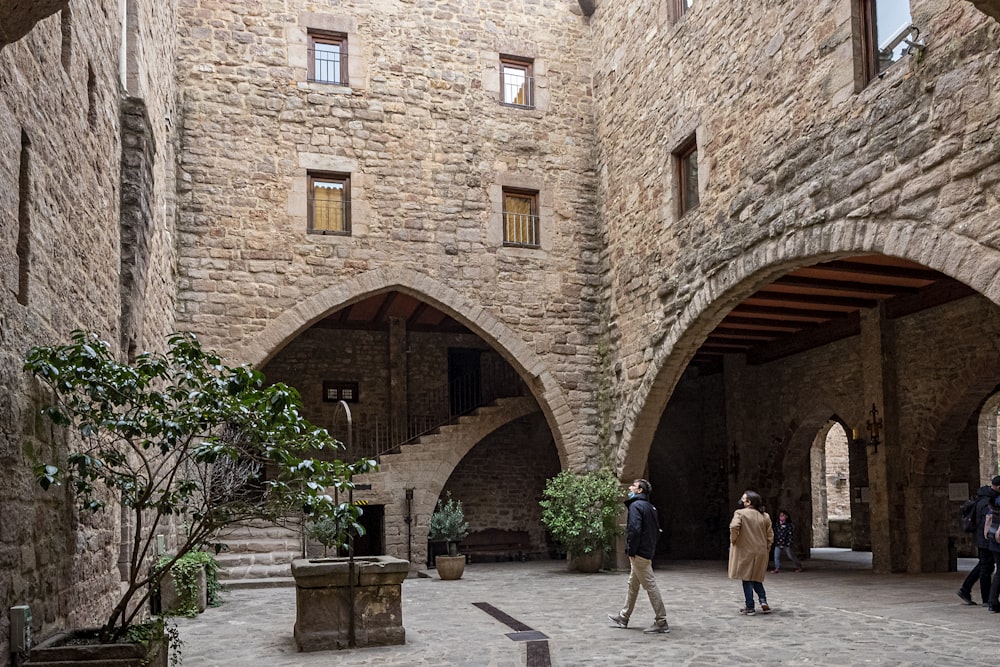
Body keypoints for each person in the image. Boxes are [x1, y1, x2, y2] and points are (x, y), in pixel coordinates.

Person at [608, 478, 669, 633]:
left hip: (640, 553)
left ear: (639, 490)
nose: (630, 488)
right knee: (633, 584)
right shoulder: (650, 507)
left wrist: (632, 550)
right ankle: (624, 616)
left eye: (633, 486)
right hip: (646, 550)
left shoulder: (636, 506)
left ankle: (661, 621)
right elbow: (656, 531)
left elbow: (634, 530)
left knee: (650, 585)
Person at [729, 490, 774, 616]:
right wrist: (767, 548)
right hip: (760, 550)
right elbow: (770, 535)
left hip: (745, 550)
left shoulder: (740, 513)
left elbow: (734, 527)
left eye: (744, 499)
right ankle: (763, 600)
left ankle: (750, 606)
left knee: (747, 578)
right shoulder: (765, 516)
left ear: (749, 502)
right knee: (756, 577)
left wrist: (734, 540)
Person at [957, 476, 1000, 606]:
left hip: (982, 537)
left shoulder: (983, 496)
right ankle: (986, 598)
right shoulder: (989, 500)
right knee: (986, 568)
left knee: (983, 565)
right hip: (987, 538)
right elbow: (987, 521)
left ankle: (966, 589)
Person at [987, 493, 1000, 612]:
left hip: (993, 541)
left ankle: (992, 601)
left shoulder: (994, 502)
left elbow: (989, 519)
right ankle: (993, 601)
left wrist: (987, 534)